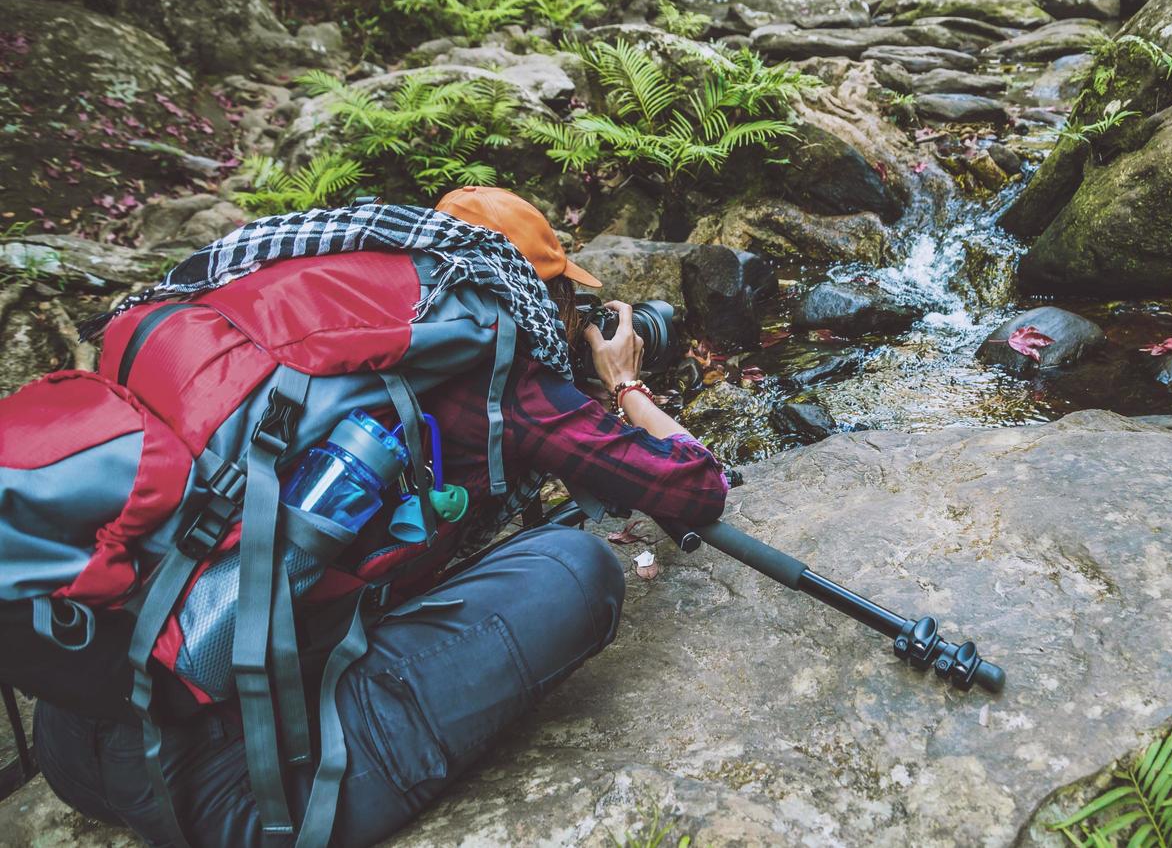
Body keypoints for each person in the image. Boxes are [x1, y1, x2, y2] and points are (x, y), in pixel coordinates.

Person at [31, 187, 728, 847]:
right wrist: (626, 383)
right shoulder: (498, 376)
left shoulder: (339, 331)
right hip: (224, 789)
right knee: (575, 569)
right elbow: (697, 486)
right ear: (536, 293)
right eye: (569, 301)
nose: (573, 323)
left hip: (72, 737)